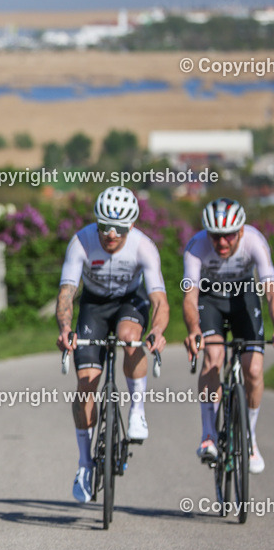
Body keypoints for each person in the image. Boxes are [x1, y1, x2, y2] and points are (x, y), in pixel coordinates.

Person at [56, 186, 169, 504]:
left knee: (130, 337)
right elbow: (66, 294)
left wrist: (157, 330)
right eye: (104, 226)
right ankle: (84, 464)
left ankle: (137, 412)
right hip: (93, 306)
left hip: (130, 302)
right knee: (86, 384)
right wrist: (65, 329)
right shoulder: (81, 242)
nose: (110, 234)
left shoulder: (143, 247)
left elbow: (159, 300)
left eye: (118, 229)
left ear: (131, 225)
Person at [183, 198, 273, 474]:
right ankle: (208, 434)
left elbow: (270, 292)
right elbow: (190, 297)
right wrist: (194, 330)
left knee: (253, 369)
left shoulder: (255, 242)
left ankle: (249, 437)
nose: (221, 243)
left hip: (243, 297)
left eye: (229, 236)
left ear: (241, 231)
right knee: (213, 356)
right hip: (210, 300)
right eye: (215, 236)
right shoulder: (196, 247)